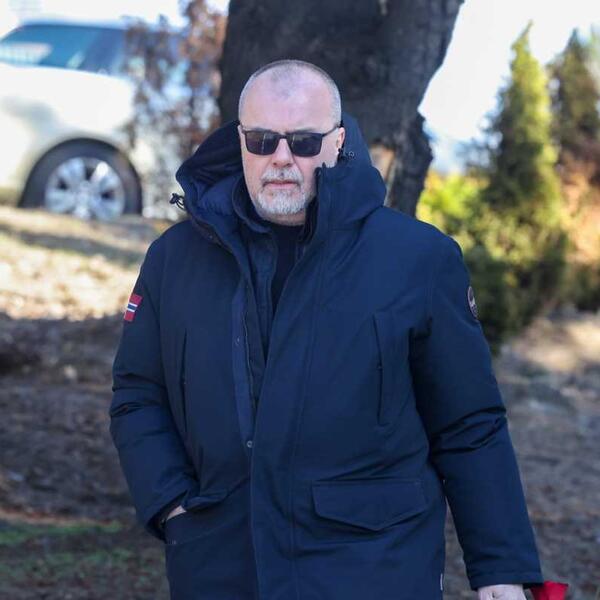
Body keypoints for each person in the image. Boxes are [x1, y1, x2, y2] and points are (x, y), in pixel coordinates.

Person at [109, 59, 546, 599]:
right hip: (221, 565)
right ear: (240, 141)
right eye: (262, 141)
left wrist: (501, 568)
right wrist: (173, 505)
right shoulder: (174, 259)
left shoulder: (418, 259)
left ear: (337, 143)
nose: (281, 159)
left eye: (304, 142)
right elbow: (137, 393)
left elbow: (468, 422)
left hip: (373, 570)